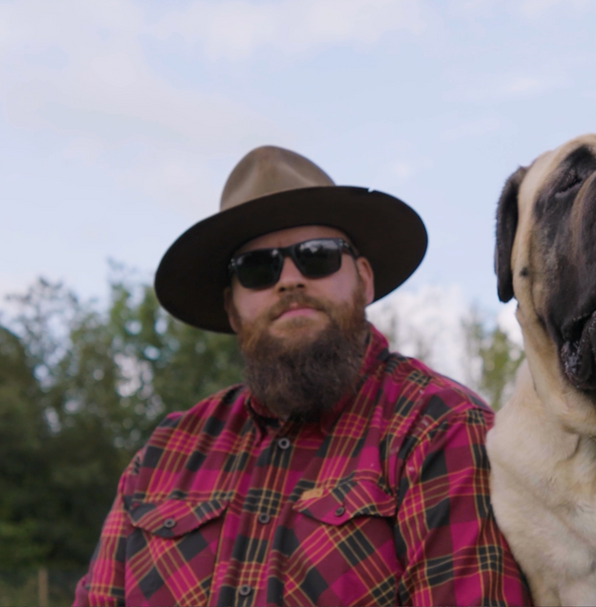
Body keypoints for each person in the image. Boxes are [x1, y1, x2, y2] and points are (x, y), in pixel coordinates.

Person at [73, 146, 531, 606]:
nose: (289, 279)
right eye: (257, 268)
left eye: (317, 256)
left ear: (364, 280)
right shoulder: (162, 456)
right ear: (231, 307)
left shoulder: (439, 429)